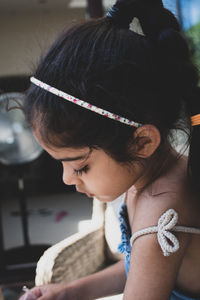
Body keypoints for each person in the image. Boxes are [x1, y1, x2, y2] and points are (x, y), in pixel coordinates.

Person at [20, 0, 200, 299]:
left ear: (142, 141)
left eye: (80, 166)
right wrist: (69, 291)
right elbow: (142, 266)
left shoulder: (162, 209)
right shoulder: (150, 179)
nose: (67, 179)